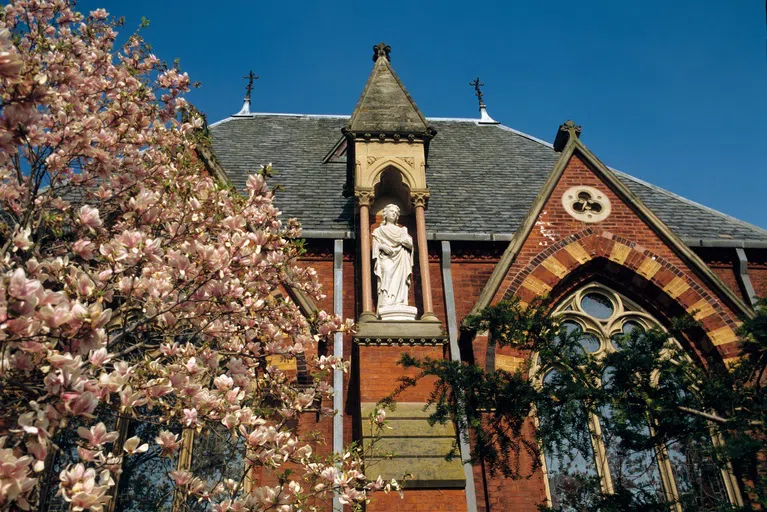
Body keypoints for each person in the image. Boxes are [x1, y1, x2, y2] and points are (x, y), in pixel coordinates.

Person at [372, 204, 413, 311]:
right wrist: (383, 246)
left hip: (401, 257)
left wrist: (403, 240)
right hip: (386, 258)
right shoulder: (379, 231)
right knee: (386, 273)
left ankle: (400, 301)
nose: (394, 214)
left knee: (401, 278)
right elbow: (375, 246)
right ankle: (385, 301)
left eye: (396, 212)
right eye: (391, 211)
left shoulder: (402, 230)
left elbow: (410, 244)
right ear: (385, 214)